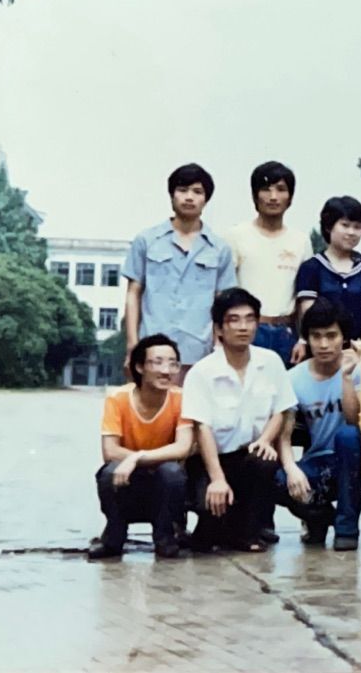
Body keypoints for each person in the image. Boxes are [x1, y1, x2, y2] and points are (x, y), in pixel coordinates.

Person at [182, 288, 297, 552]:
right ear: (219, 329)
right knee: (209, 522)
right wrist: (217, 479)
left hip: (248, 456)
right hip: (210, 461)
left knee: (264, 461)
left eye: (250, 319)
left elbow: (281, 409)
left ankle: (248, 532)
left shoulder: (271, 362)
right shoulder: (202, 372)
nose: (243, 327)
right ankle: (214, 526)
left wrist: (266, 440)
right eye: (234, 320)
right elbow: (202, 429)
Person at [123, 163, 236, 381]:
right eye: (182, 190)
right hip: (152, 349)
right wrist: (132, 344)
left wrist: (220, 346)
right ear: (171, 195)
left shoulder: (219, 248)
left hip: (200, 351)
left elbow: (223, 303)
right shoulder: (147, 241)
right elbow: (133, 293)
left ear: (206, 199)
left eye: (197, 192)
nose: (189, 197)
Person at [89, 334, 193, 560]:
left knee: (173, 472)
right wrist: (135, 461)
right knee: (109, 473)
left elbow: (182, 448)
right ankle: (114, 536)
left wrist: (136, 457)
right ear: (139, 367)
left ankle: (165, 537)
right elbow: (110, 451)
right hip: (128, 478)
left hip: (163, 478)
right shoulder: (118, 398)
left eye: (173, 364)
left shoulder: (181, 399)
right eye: (157, 362)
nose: (166, 371)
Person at [274, 298, 361, 551]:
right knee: (278, 479)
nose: (324, 344)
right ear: (307, 339)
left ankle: (347, 530)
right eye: (316, 336)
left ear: (344, 338)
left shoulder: (360, 370)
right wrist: (292, 469)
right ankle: (320, 518)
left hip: (357, 464)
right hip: (318, 463)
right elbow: (284, 435)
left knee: (348, 435)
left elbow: (354, 421)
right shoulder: (294, 378)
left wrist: (346, 377)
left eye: (331, 336)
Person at [224, 161, 310, 367]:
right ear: (255, 195)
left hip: (286, 333)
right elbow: (224, 293)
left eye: (281, 189)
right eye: (266, 189)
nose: (273, 197)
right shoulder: (236, 236)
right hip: (248, 331)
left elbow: (304, 296)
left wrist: (303, 339)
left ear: (290, 197)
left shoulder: (301, 241)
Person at [294, 196, 361, 361]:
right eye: (345, 225)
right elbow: (308, 314)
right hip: (321, 351)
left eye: (357, 227)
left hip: (356, 354)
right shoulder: (311, 268)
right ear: (328, 226)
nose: (351, 232)